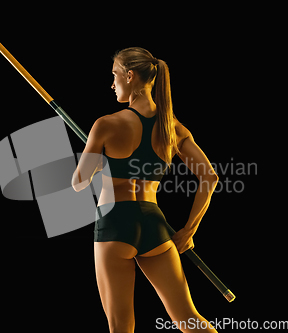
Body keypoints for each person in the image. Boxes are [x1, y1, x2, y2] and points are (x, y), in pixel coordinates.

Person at [72, 47, 219, 332]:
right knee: (189, 319)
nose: (112, 84)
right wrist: (189, 230)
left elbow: (79, 183)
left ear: (129, 75)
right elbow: (209, 178)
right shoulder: (172, 128)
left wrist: (94, 158)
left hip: (115, 223)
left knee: (121, 326)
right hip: (155, 224)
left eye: (115, 75)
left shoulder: (106, 124)